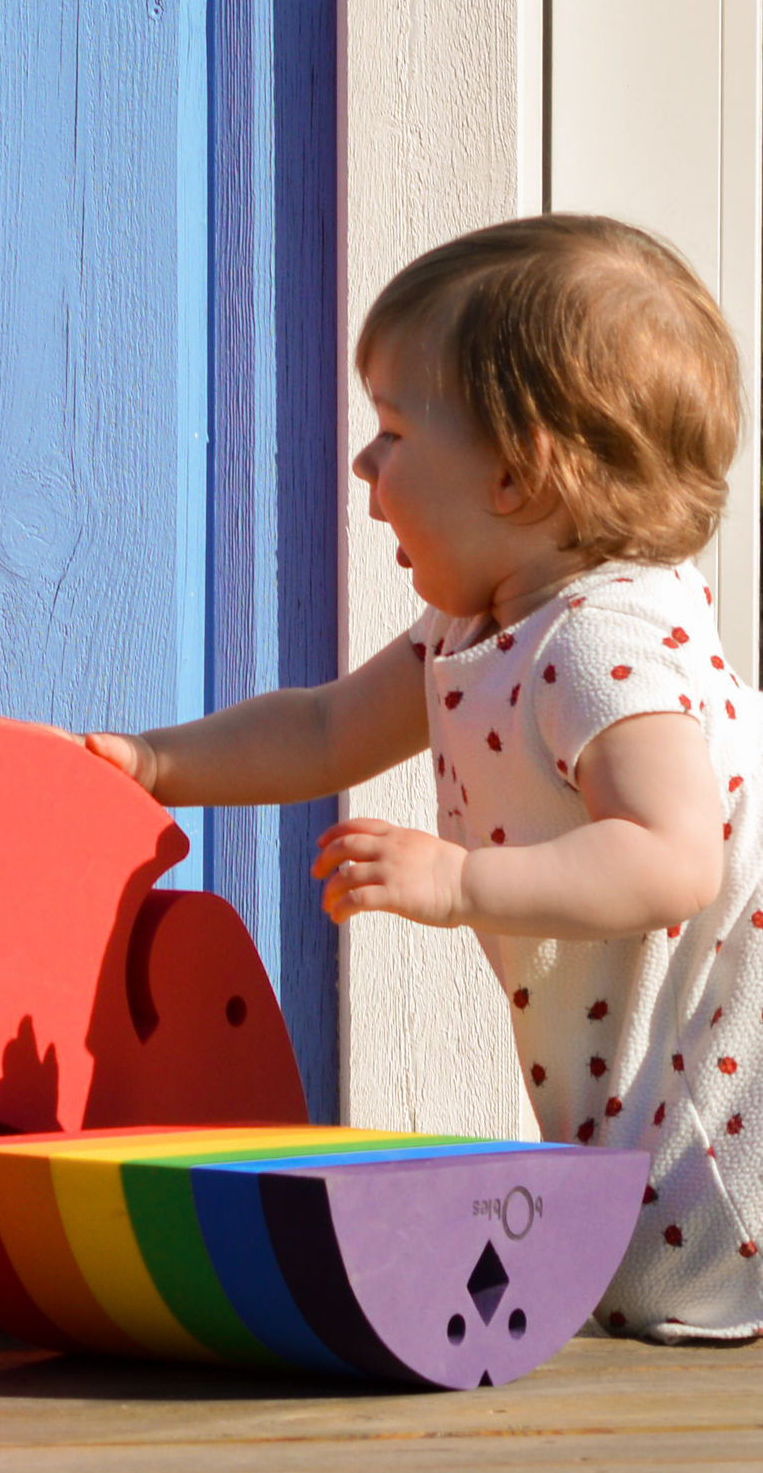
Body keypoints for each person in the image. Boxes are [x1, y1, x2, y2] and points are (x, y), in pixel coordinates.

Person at [87, 214, 763, 1342]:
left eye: (394, 430)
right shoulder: (477, 624)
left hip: (727, 1089)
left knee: (670, 1291)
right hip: (647, 1066)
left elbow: (673, 855)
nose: (364, 462)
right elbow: (322, 730)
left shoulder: (605, 642)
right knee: (638, 1278)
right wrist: (158, 765)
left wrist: (458, 884)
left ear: (516, 470)